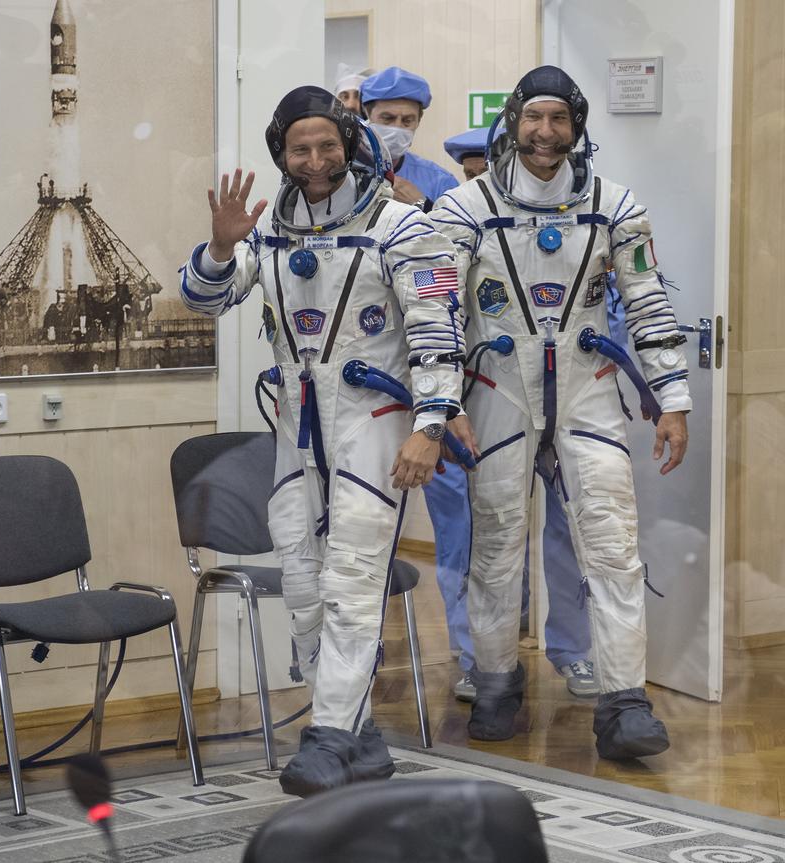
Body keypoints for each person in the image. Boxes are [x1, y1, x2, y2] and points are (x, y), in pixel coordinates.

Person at [179, 86, 470, 796]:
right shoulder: (269, 233)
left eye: (327, 146)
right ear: (283, 151)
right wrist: (221, 246)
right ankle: (364, 736)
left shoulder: (403, 227)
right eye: (300, 148)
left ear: (349, 144)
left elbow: (438, 332)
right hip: (297, 426)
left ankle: (330, 732)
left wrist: (430, 426)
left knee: (351, 579)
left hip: (374, 422)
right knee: (304, 581)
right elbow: (204, 297)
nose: (315, 161)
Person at [429, 66, 690, 759]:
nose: (546, 134)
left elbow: (649, 302)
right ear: (514, 121)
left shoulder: (614, 204)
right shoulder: (464, 209)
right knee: (497, 541)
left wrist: (673, 399)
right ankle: (493, 680)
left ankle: (625, 698)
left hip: (587, 385)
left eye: (560, 120)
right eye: (533, 119)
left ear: (577, 127)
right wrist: (443, 402)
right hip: (496, 389)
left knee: (611, 541)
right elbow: (436, 316)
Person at [439, 124, 602, 704]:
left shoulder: (585, 216)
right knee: (475, 536)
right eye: (471, 168)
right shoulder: (455, 217)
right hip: (480, 403)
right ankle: (478, 660)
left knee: (576, 529)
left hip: (570, 398)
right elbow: (437, 319)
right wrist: (442, 404)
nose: (482, 177)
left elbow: (604, 308)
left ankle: (575, 651)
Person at [359, 66, 457, 209]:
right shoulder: (341, 172)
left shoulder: (440, 181)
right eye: (387, 118)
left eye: (407, 120)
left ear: (419, 121)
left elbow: (456, 230)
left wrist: (423, 205)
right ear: (366, 115)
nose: (397, 127)